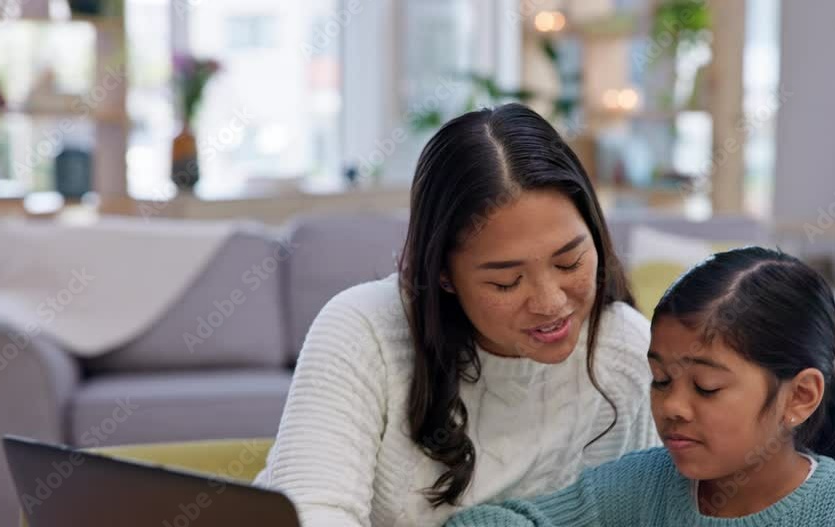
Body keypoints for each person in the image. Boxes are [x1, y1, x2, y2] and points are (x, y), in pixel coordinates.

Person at [253, 103, 660, 526]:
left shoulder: (627, 354)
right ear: (444, 275)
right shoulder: (362, 331)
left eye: (570, 262)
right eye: (506, 282)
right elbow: (313, 514)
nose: (551, 303)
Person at [446, 247, 835, 526]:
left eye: (706, 387)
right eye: (660, 380)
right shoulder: (641, 487)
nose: (672, 407)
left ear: (799, 397)